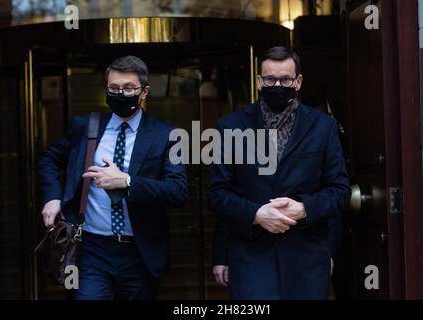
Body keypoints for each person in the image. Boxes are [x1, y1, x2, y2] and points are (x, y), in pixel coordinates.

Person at [38, 55, 188, 300]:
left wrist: (127, 182)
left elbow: (178, 191)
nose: (121, 93)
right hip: (91, 249)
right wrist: (53, 198)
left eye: (129, 88)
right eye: (114, 88)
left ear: (144, 92)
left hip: (140, 251)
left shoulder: (166, 134)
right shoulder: (86, 127)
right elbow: (49, 159)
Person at [206, 46, 351, 299]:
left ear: (298, 81)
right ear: (259, 81)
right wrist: (256, 214)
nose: (278, 85)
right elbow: (217, 194)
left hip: (307, 257)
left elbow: (339, 191)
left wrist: (304, 208)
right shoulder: (230, 126)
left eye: (285, 79)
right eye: (270, 79)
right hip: (251, 257)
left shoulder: (323, 127)